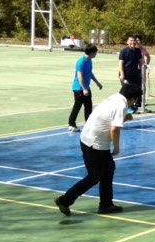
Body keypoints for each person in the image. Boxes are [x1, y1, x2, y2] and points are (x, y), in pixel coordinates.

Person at [54, 83, 143, 218]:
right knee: (94, 176)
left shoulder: (115, 98)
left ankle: (106, 205)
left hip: (90, 139)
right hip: (95, 144)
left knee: (109, 168)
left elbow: (109, 119)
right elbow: (114, 129)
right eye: (135, 100)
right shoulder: (121, 105)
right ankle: (65, 200)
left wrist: (125, 118)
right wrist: (117, 147)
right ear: (134, 98)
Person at [68, 45, 103, 132]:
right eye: (95, 52)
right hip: (79, 88)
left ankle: (89, 124)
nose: (96, 54)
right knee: (77, 106)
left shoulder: (89, 61)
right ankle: (71, 124)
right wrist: (84, 89)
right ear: (92, 53)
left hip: (86, 87)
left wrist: (97, 82)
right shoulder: (81, 61)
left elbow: (90, 73)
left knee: (88, 107)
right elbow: (80, 76)